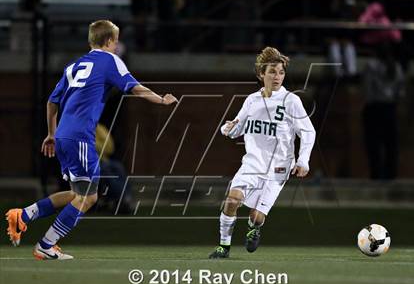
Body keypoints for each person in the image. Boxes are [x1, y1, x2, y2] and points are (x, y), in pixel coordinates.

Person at [5, 20, 178, 260]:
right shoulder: (110, 60)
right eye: (115, 41)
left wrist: (51, 134)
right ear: (109, 41)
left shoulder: (73, 65)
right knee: (89, 197)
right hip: (80, 137)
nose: (116, 46)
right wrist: (160, 100)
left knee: (76, 193)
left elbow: (51, 101)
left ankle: (23, 215)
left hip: (64, 134)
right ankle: (46, 244)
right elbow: (134, 87)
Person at [209, 47, 316, 258]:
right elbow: (237, 127)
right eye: (272, 72)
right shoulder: (251, 100)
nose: (277, 77)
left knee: (257, 216)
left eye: (281, 72)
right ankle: (223, 247)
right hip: (252, 163)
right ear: (261, 74)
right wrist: (227, 128)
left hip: (278, 168)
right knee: (232, 200)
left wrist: (303, 160)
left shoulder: (291, 102)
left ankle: (254, 226)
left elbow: (308, 131)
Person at [362, 43, 404, 180]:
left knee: (374, 143)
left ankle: (376, 174)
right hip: (390, 108)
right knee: (391, 144)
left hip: (375, 107)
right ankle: (391, 174)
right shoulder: (396, 67)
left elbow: (367, 89)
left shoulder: (371, 66)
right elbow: (401, 92)